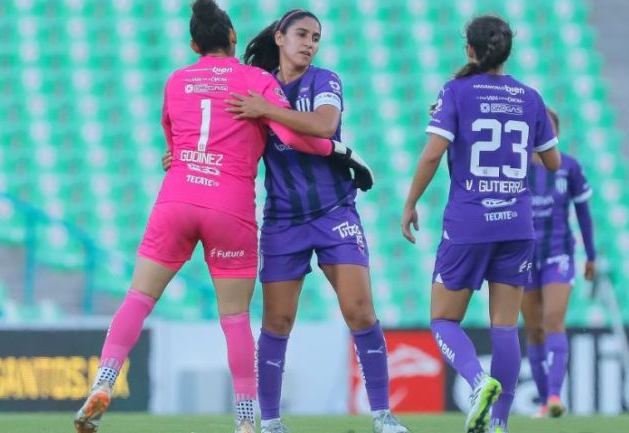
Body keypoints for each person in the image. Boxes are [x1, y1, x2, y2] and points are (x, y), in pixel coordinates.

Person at [73, 2, 371, 433]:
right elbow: (293, 136)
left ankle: (103, 380)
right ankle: (247, 418)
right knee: (233, 318)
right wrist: (343, 154)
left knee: (138, 298)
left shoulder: (176, 80)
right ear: (232, 36)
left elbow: (172, 144)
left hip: (177, 199)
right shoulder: (256, 80)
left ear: (194, 44)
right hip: (229, 208)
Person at [167, 8, 407, 433]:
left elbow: (324, 126)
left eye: (316, 37)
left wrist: (268, 110)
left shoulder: (324, 81)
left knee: (361, 312)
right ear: (279, 37)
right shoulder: (255, 85)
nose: (310, 43)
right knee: (277, 323)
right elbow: (221, 137)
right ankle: (273, 423)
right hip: (282, 220)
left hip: (334, 211)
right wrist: (183, 155)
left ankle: (383, 417)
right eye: (301, 34)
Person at [401, 15, 561, 433]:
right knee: (506, 327)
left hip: (469, 223)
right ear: (506, 51)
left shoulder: (456, 91)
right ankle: (499, 425)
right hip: (516, 224)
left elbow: (433, 155)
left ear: (469, 50)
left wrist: (411, 202)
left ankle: (476, 381)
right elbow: (553, 162)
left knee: (443, 320)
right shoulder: (530, 98)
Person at [521, 108, 595, 418]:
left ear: (557, 133)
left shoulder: (570, 167)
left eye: (548, 126)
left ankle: (554, 396)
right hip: (522, 259)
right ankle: (542, 399)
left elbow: (583, 213)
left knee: (553, 320)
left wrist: (591, 255)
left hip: (559, 254)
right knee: (534, 329)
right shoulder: (517, 168)